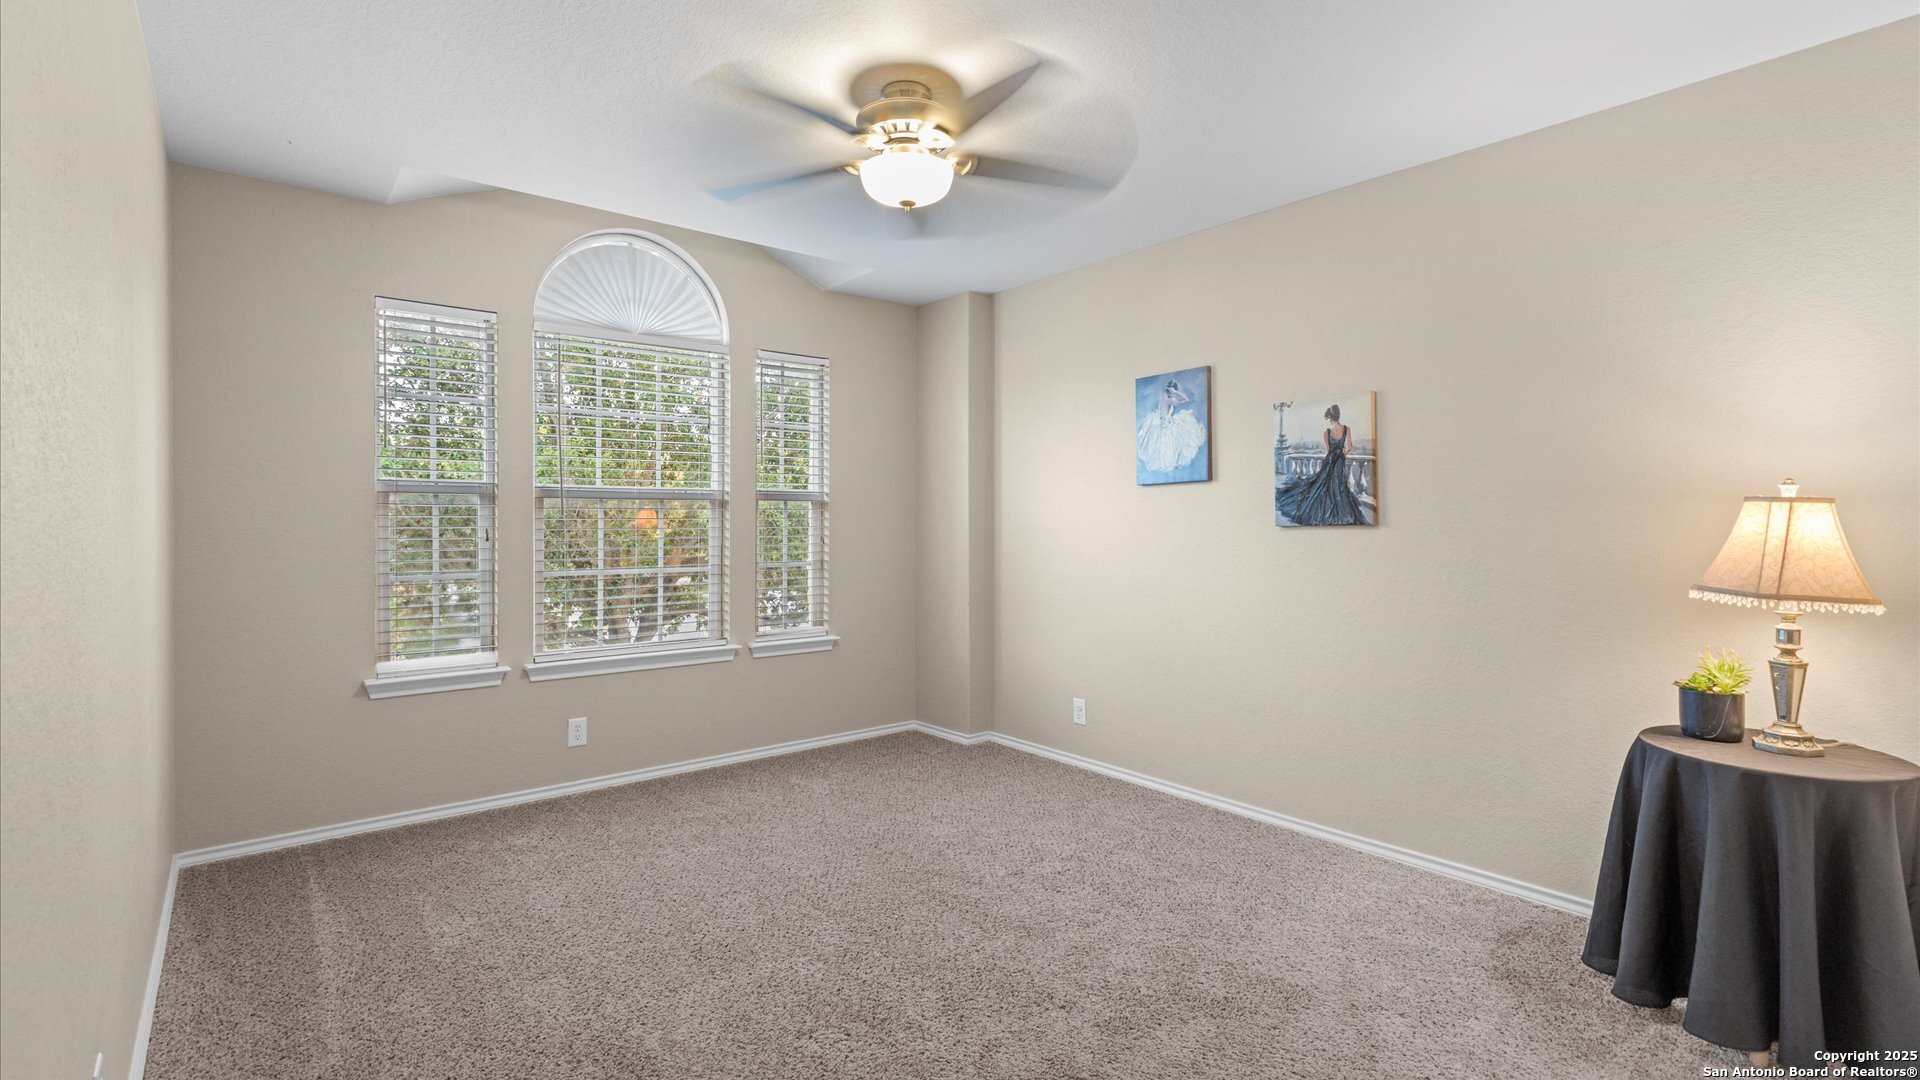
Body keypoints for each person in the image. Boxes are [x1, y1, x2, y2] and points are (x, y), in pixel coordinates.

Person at [1275, 403, 1369, 525]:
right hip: (1340, 460)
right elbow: (1350, 447)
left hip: (1329, 460)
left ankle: (1328, 508)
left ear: (1330, 417)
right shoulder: (1346, 429)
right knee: (1339, 485)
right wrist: (1342, 455)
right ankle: (1338, 510)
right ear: (1338, 416)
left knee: (1322, 484)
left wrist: (1334, 455)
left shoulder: (1327, 432)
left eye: (1328, 418)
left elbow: (1329, 450)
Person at [1137, 379, 1207, 473]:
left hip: (1161, 422)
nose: (1174, 395)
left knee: (1163, 446)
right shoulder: (1169, 400)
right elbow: (1186, 399)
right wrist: (1176, 392)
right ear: (1171, 391)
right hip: (1165, 423)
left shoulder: (1162, 398)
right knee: (1170, 444)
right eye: (1173, 392)